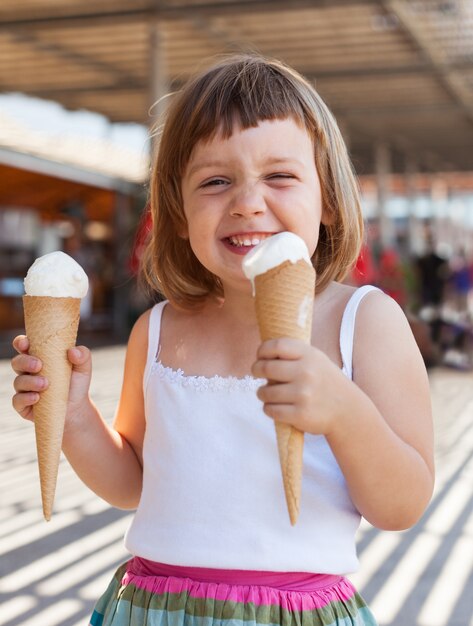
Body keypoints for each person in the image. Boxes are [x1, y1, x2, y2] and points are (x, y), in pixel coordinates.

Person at [11, 54, 434, 626]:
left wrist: (343, 410)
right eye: (215, 181)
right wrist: (72, 413)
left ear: (329, 199)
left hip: (295, 612)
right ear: (177, 214)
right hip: (150, 608)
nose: (247, 202)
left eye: (280, 176)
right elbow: (132, 484)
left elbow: (402, 504)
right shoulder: (156, 330)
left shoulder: (366, 321)